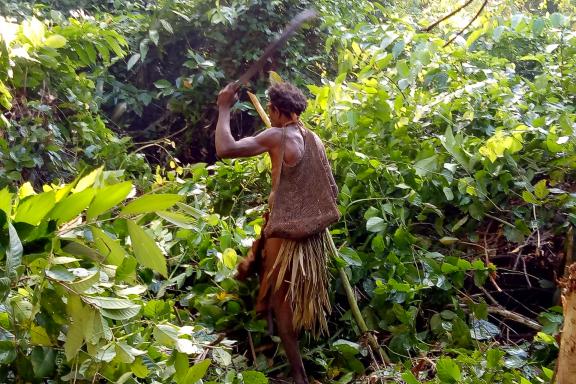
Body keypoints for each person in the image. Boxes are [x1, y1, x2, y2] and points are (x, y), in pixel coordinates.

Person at [215, 81, 338, 384]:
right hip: (311, 237)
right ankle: (269, 344)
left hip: (287, 237)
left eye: (270, 108)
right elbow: (330, 188)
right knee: (265, 278)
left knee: (281, 301)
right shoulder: (314, 139)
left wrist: (223, 108)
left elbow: (225, 149)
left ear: (275, 110)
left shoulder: (277, 136)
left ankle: (298, 374)